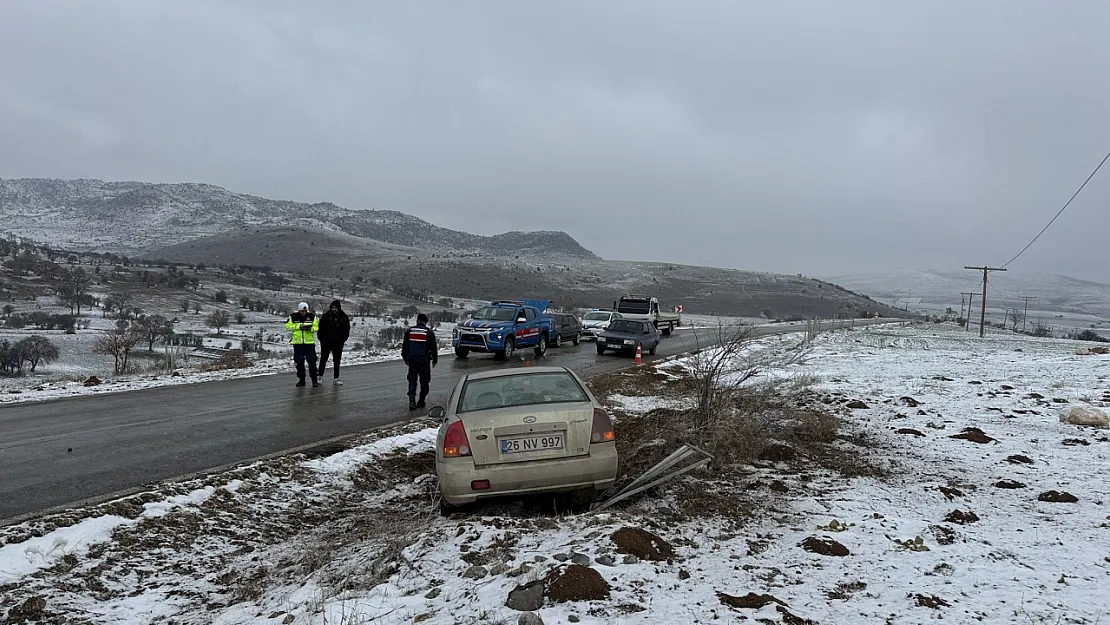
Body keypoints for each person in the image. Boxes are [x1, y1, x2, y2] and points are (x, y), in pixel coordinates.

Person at [401, 312, 438, 410]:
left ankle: (411, 401)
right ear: (425, 322)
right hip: (424, 361)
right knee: (424, 382)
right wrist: (435, 360)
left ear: (417, 320)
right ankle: (421, 401)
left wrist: (405, 357)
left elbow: (405, 346)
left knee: (412, 381)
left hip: (412, 360)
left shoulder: (410, 331)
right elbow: (433, 348)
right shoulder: (428, 332)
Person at [285, 302, 320, 387]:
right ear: (299, 310)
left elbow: (316, 327)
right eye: (302, 311)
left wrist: (310, 329)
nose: (303, 313)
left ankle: (314, 380)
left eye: (305, 311)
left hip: (309, 343)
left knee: (312, 362)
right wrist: (299, 327)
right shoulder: (293, 317)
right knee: (299, 362)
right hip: (298, 343)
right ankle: (301, 380)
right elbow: (288, 326)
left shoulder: (312, 317)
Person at [317, 299, 351, 385]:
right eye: (333, 307)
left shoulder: (344, 317)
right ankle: (319, 376)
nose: (334, 309)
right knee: (323, 359)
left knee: (337, 361)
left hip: (338, 343)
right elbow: (320, 329)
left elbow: (347, 330)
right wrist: (322, 340)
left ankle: (336, 378)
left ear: (339, 308)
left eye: (336, 308)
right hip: (326, 342)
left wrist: (342, 339)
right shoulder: (325, 316)